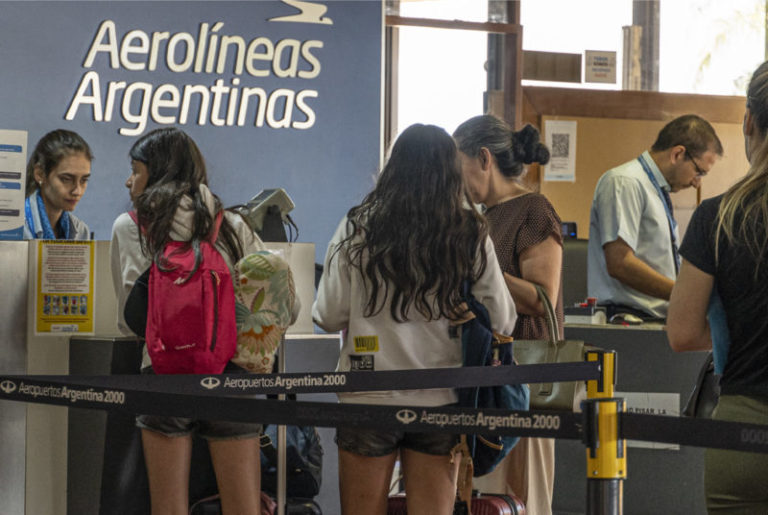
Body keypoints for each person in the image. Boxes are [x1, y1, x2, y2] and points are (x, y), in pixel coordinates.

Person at [312, 123, 517, 515]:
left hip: (366, 394)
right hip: (441, 398)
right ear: (449, 171)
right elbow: (503, 319)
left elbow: (327, 314)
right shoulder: (469, 230)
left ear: (393, 167)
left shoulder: (358, 225)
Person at [109, 127, 266, 515]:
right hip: (230, 374)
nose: (129, 180)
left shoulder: (132, 225)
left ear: (158, 172)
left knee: (168, 507)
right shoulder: (232, 225)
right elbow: (271, 299)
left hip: (165, 375)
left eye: (136, 170)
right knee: (243, 507)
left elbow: (131, 321)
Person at [667, 60, 768, 513]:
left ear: (748, 121)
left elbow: (682, 332)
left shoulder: (716, 218)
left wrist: (740, 328)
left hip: (743, 429)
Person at [454, 115, 560, 515]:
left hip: (521, 381)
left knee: (521, 495)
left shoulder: (533, 209)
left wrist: (479, 269)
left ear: (484, 159)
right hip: (487, 376)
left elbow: (541, 297)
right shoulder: (481, 217)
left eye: (458, 166)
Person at [587, 114, 723, 320]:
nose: (697, 183)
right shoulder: (625, 182)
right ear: (678, 154)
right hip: (627, 318)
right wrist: (684, 294)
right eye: (699, 172)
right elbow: (619, 263)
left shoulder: (656, 191)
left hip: (652, 319)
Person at [24, 129, 92, 239]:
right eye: (66, 179)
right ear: (40, 174)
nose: (77, 191)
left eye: (83, 180)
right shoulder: (14, 228)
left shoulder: (81, 231)